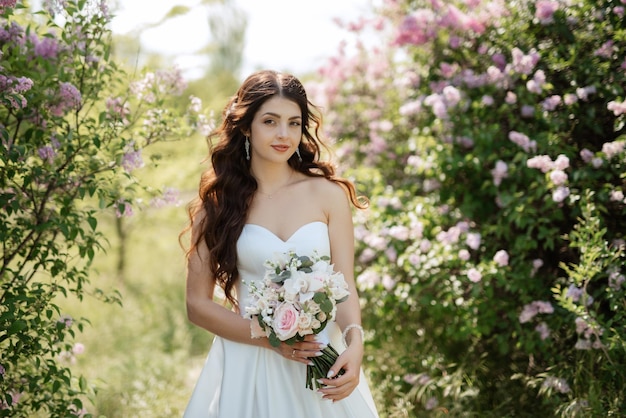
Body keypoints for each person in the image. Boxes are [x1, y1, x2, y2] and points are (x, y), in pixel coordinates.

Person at [182, 70, 379, 418]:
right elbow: (197, 305)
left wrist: (355, 341)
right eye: (270, 122)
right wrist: (270, 338)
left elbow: (344, 283)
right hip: (249, 362)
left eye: (294, 123)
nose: (283, 135)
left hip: (320, 360)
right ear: (246, 126)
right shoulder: (217, 206)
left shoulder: (328, 195)